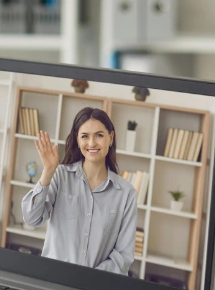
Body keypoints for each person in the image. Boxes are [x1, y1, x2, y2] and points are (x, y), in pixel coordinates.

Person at [21, 107, 138, 274]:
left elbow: (123, 256)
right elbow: (32, 219)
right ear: (77, 139)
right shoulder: (60, 175)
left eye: (99, 135)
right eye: (85, 136)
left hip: (95, 289)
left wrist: (89, 279)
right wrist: (47, 172)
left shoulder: (127, 194)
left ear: (110, 138)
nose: (91, 143)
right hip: (52, 282)